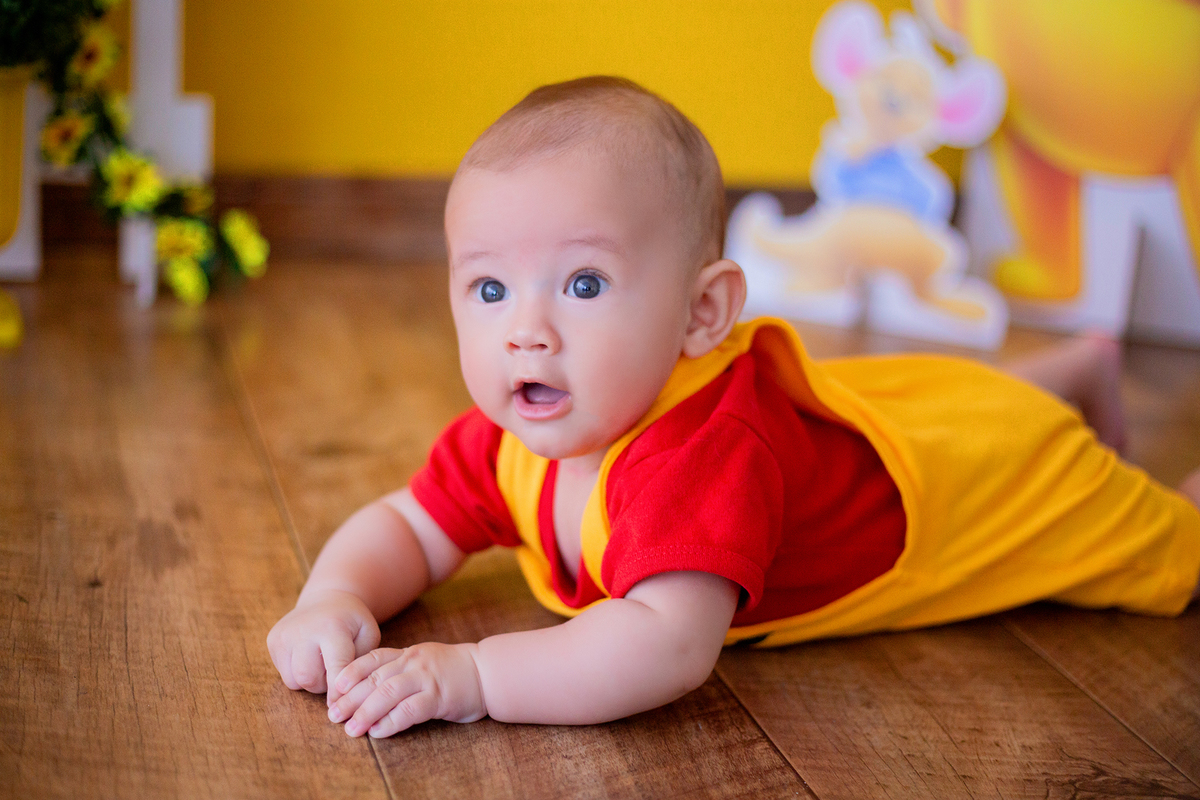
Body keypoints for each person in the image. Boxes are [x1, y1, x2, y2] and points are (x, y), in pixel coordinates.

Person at [267, 76, 1200, 739]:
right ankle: (1074, 367)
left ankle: (1119, 444)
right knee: (952, 398)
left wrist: (471, 676)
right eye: (488, 289)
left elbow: (664, 645)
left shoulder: (699, 458)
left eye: (585, 284)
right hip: (876, 417)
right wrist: (337, 595)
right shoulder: (515, 431)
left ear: (700, 313)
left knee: (1154, 543)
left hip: (983, 490)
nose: (528, 331)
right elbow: (413, 522)